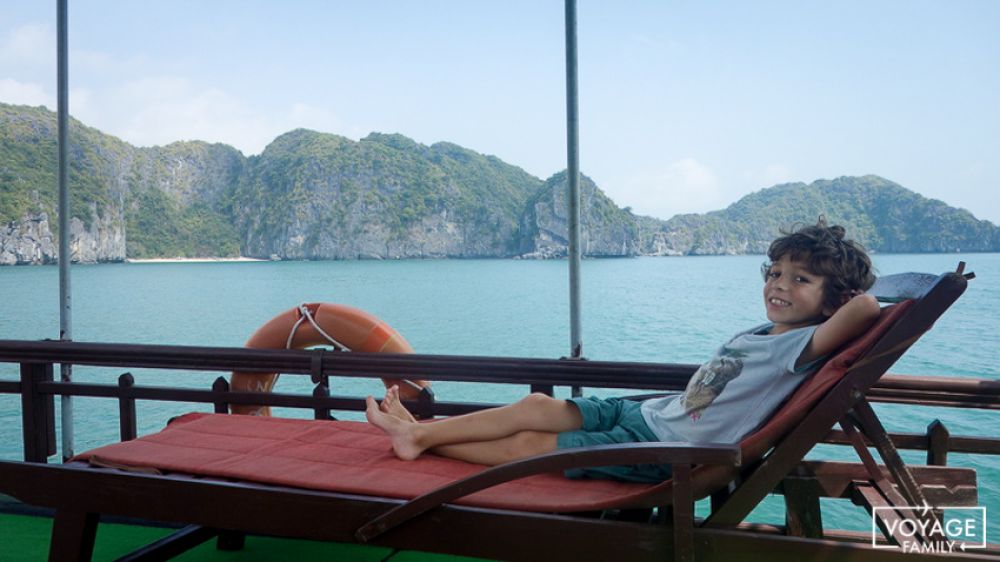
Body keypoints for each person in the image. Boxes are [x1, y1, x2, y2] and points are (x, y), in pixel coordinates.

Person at [366, 219, 880, 482]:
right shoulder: (764, 334)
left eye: (800, 279)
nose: (778, 285)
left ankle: (419, 440)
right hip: (650, 416)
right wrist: (822, 292)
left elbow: (867, 310)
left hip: (667, 451)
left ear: (833, 297)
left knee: (528, 444)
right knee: (535, 407)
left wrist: (846, 300)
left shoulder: (802, 346)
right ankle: (418, 433)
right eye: (774, 273)